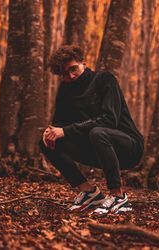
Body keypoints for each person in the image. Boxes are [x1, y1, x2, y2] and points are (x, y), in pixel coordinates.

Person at [39, 44, 144, 214]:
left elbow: (110, 119)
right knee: (46, 142)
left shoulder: (105, 80)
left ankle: (118, 196)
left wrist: (66, 131)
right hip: (96, 148)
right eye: (65, 73)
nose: (71, 75)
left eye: (73, 69)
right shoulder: (65, 89)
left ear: (83, 63)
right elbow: (59, 122)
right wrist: (51, 132)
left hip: (129, 147)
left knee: (99, 132)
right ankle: (89, 192)